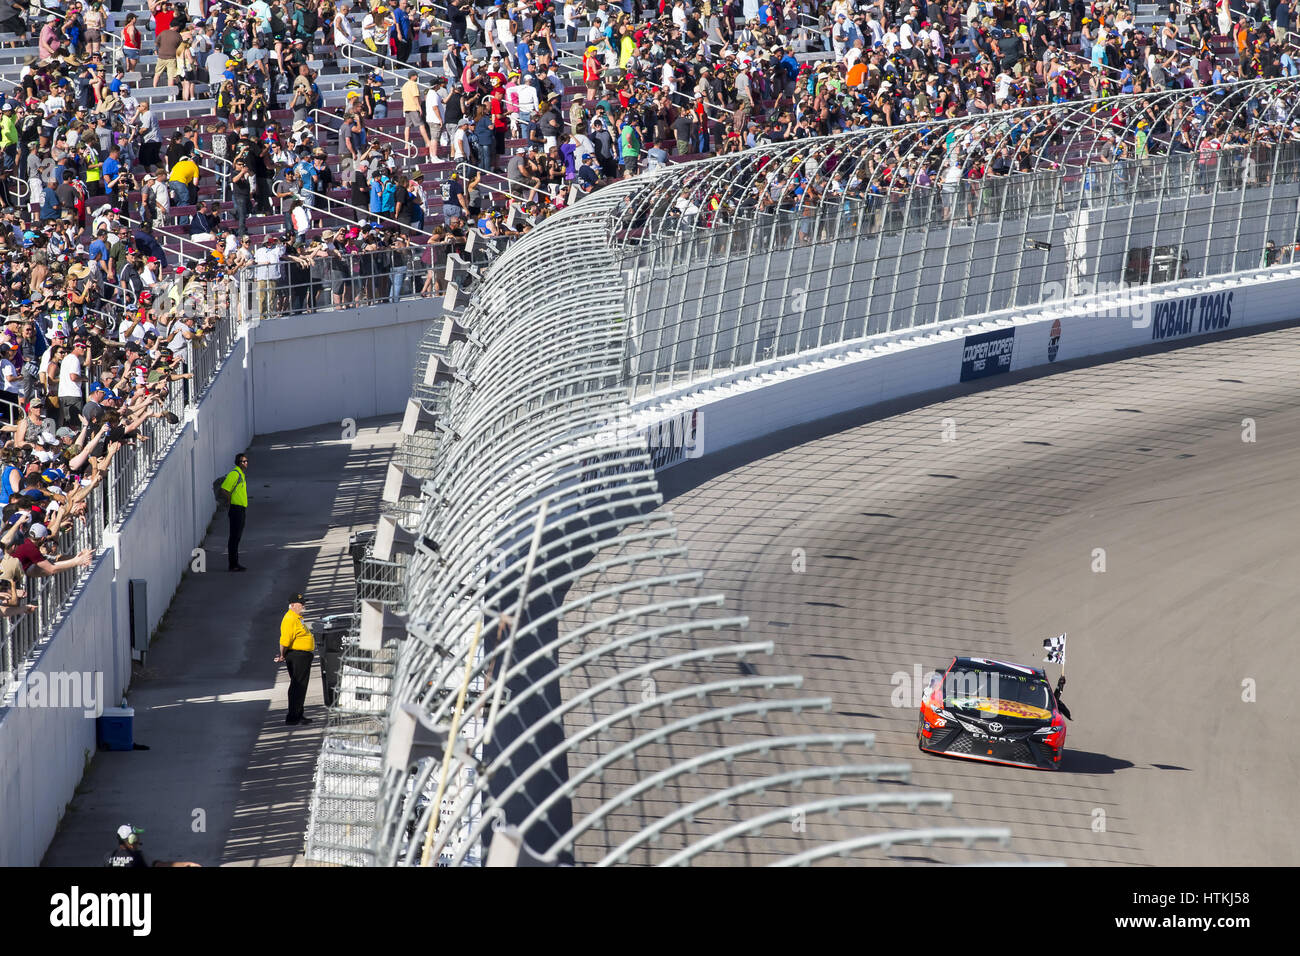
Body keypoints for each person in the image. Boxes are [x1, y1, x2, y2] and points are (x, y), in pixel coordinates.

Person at [276, 592, 314, 725]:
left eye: (304, 602)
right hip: (297, 656)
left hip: (302, 656)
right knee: (298, 685)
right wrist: (281, 655)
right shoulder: (290, 619)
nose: (304, 605)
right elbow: (284, 641)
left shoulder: (297, 617)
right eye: (301, 603)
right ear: (292, 605)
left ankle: (298, 713)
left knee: (300, 686)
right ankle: (293, 716)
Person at [104, 824, 199, 867]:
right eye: (136, 837)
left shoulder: (108, 857)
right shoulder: (138, 856)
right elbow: (161, 865)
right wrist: (186, 864)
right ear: (131, 839)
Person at [218, 453, 249, 571]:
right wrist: (231, 499)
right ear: (238, 463)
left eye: (246, 461)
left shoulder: (241, 474)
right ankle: (233, 564)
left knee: (237, 537)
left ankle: (235, 563)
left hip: (241, 509)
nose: (245, 463)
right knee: (234, 537)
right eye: (242, 461)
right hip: (236, 509)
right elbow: (224, 489)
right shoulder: (234, 474)